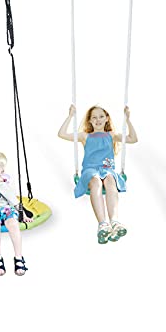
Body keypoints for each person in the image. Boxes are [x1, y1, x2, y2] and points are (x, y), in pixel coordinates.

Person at [58, 104, 137, 244]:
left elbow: (133, 139)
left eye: (101, 116)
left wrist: (128, 119)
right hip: (90, 170)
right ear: (89, 121)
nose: (98, 120)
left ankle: (114, 221)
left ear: (107, 119)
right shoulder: (85, 136)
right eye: (94, 117)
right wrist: (70, 116)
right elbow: (62, 134)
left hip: (107, 170)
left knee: (110, 181)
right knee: (96, 182)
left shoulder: (111, 135)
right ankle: (102, 224)